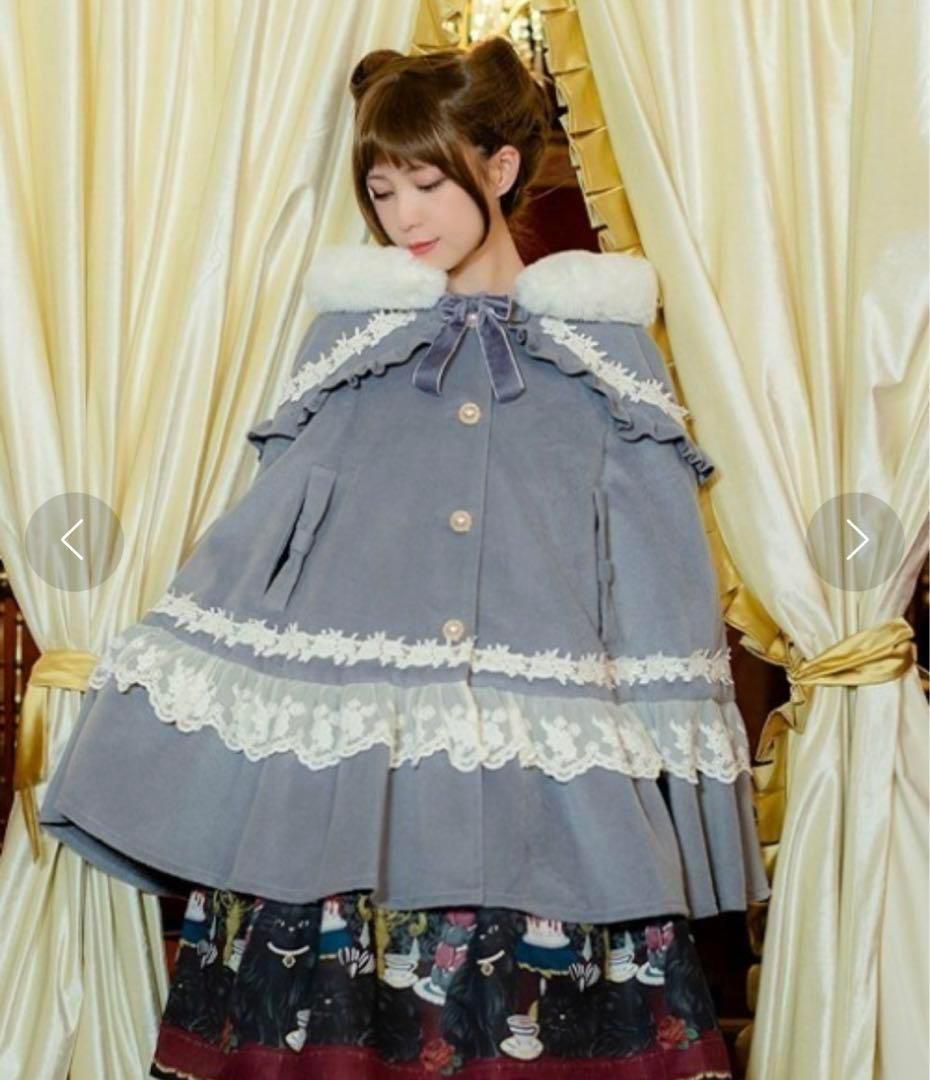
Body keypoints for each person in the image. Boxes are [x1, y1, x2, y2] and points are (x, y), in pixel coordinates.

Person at [39, 36, 770, 1079]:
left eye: (426, 184)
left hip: (550, 758)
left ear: (500, 168)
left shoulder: (605, 353)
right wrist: (165, 673)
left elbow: (658, 562)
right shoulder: (352, 342)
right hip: (349, 759)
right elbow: (271, 521)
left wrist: (673, 764)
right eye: (382, 192)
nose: (402, 217)